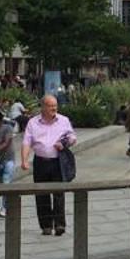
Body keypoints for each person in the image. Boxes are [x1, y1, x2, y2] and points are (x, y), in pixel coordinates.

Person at [19, 93, 76, 236]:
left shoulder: (63, 120)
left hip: (58, 162)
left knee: (58, 194)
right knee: (41, 194)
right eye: (50, 106)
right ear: (43, 107)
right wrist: (24, 160)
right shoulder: (33, 123)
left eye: (55, 106)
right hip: (40, 162)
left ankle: (59, 225)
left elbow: (72, 137)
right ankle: (46, 226)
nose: (54, 109)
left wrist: (64, 143)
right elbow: (27, 142)